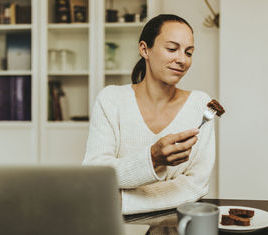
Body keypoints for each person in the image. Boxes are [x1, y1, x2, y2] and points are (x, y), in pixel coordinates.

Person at [83, 14, 215, 215]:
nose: (182, 60)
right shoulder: (111, 99)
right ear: (145, 49)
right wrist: (152, 159)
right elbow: (95, 174)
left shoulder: (200, 105)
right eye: (172, 49)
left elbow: (195, 184)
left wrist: (122, 201)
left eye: (189, 52)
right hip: (118, 230)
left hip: (178, 227)